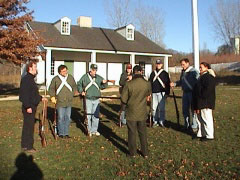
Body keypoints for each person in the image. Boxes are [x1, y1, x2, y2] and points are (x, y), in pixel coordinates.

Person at [121, 65, 151, 158]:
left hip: (131, 111)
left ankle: (132, 153)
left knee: (132, 133)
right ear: (141, 72)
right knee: (143, 132)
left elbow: (123, 99)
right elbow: (148, 95)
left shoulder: (129, 84)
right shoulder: (147, 84)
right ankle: (145, 153)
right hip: (142, 111)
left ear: (133, 72)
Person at [19, 61, 48, 153]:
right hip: (29, 107)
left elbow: (33, 94)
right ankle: (28, 146)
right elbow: (24, 95)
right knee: (29, 127)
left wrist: (41, 98)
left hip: (31, 105)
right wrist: (27, 106)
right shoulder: (26, 79)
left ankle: (24, 144)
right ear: (29, 68)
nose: (36, 69)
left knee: (27, 126)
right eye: (34, 67)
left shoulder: (31, 79)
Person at [77, 64, 108, 137]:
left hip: (96, 99)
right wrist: (81, 91)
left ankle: (94, 130)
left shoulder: (98, 77)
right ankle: (89, 130)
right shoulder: (85, 77)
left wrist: (104, 83)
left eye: (95, 70)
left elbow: (103, 87)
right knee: (88, 115)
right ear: (90, 69)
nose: (94, 71)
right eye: (93, 70)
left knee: (96, 115)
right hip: (88, 98)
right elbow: (79, 84)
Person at [48, 65, 77, 138]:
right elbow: (51, 89)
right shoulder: (55, 79)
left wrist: (72, 94)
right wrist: (52, 97)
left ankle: (66, 133)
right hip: (60, 101)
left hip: (69, 101)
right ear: (60, 72)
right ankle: (61, 133)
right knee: (60, 118)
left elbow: (74, 86)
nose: (65, 72)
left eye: (66, 70)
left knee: (67, 117)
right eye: (63, 71)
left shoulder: (70, 77)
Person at [170, 58, 199, 132]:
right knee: (185, 110)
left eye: (183, 64)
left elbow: (198, 82)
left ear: (187, 63)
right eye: (181, 65)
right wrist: (175, 84)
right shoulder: (183, 72)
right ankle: (187, 125)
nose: (182, 66)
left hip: (192, 93)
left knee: (193, 110)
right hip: (185, 93)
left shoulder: (194, 71)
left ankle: (194, 126)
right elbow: (181, 81)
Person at [193, 62, 216, 141]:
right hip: (200, 101)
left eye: (201, 67)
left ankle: (209, 135)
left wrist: (202, 96)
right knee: (200, 119)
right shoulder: (201, 77)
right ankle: (202, 134)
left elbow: (208, 90)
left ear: (206, 67)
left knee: (207, 119)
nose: (199, 69)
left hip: (206, 102)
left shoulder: (209, 77)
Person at [149, 59, 170, 127]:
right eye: (157, 64)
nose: (158, 65)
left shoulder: (165, 73)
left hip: (162, 92)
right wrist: (149, 92)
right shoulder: (153, 73)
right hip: (154, 92)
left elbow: (167, 84)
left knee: (161, 108)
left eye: (159, 64)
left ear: (162, 65)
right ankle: (155, 121)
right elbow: (150, 83)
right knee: (154, 108)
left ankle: (161, 121)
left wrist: (167, 93)